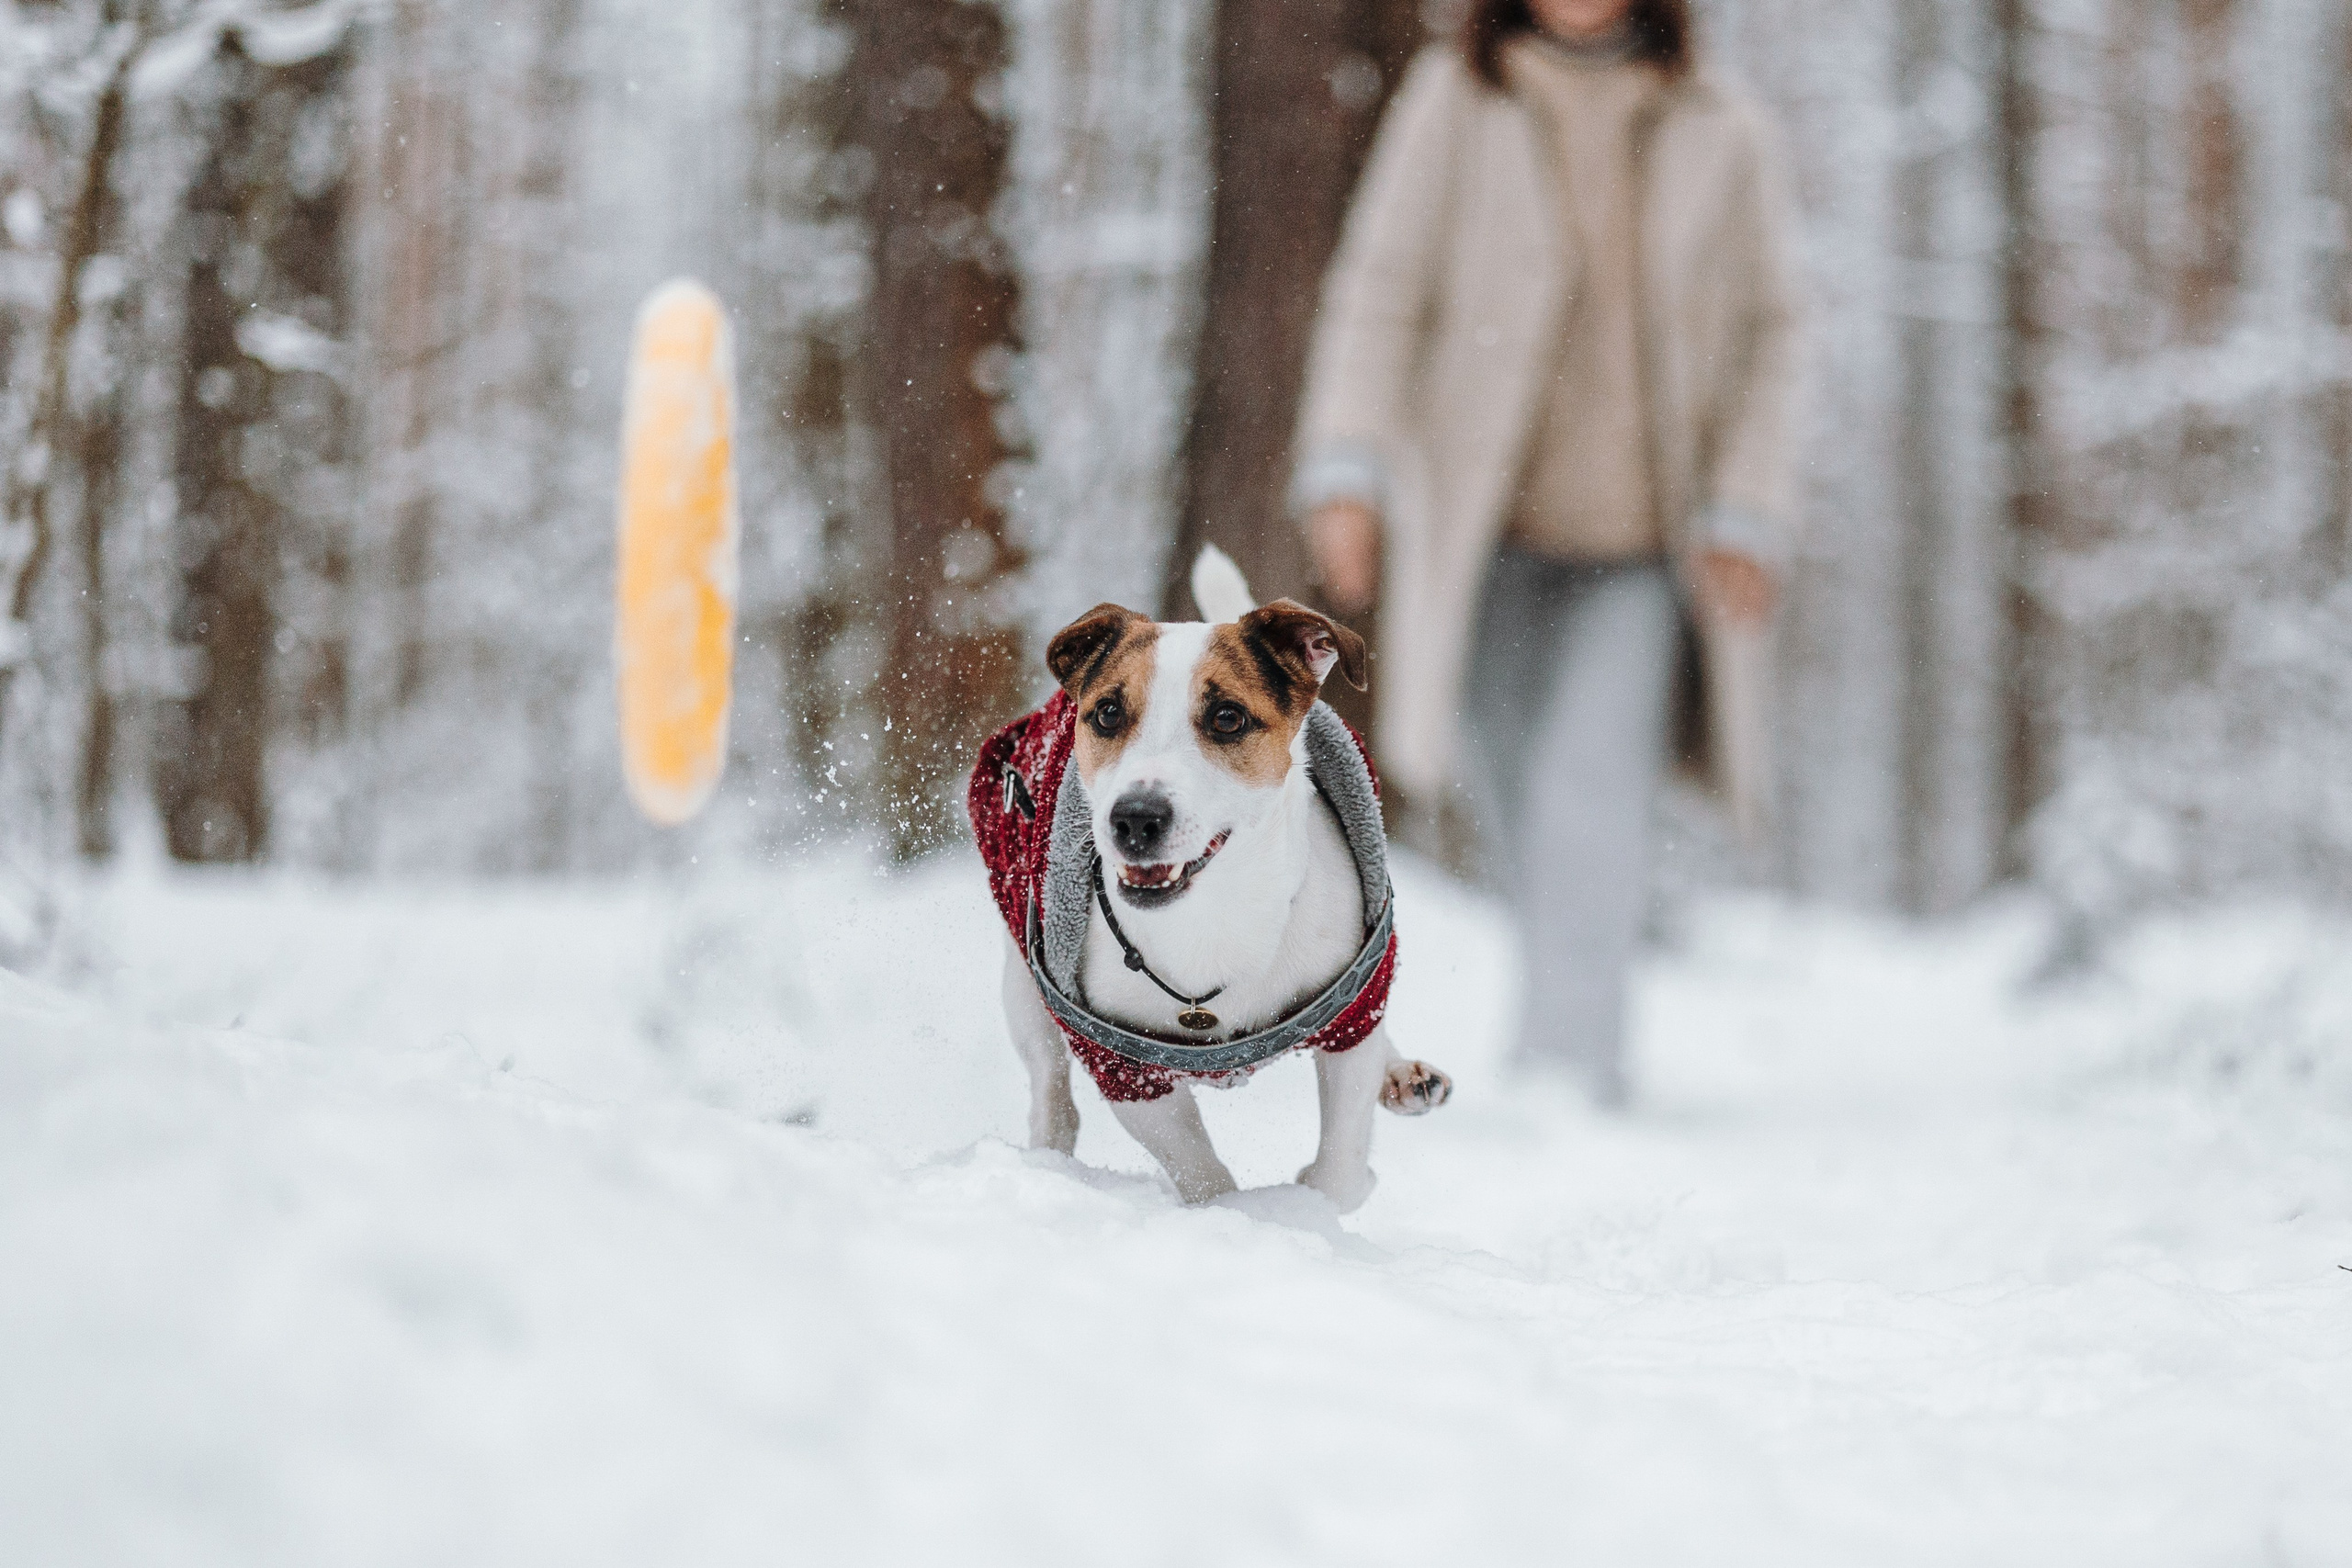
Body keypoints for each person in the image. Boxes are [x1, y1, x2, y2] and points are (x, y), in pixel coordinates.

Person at [1291, 0, 1804, 1107]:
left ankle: (1571, 1073)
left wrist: (1748, 510)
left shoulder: (1719, 123)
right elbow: (1378, 290)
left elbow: (1776, 330)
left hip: (1640, 544)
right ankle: (1566, 1017)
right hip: (1482, 539)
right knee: (1520, 796)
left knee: (1590, 785)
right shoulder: (1456, 100)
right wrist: (1345, 468)